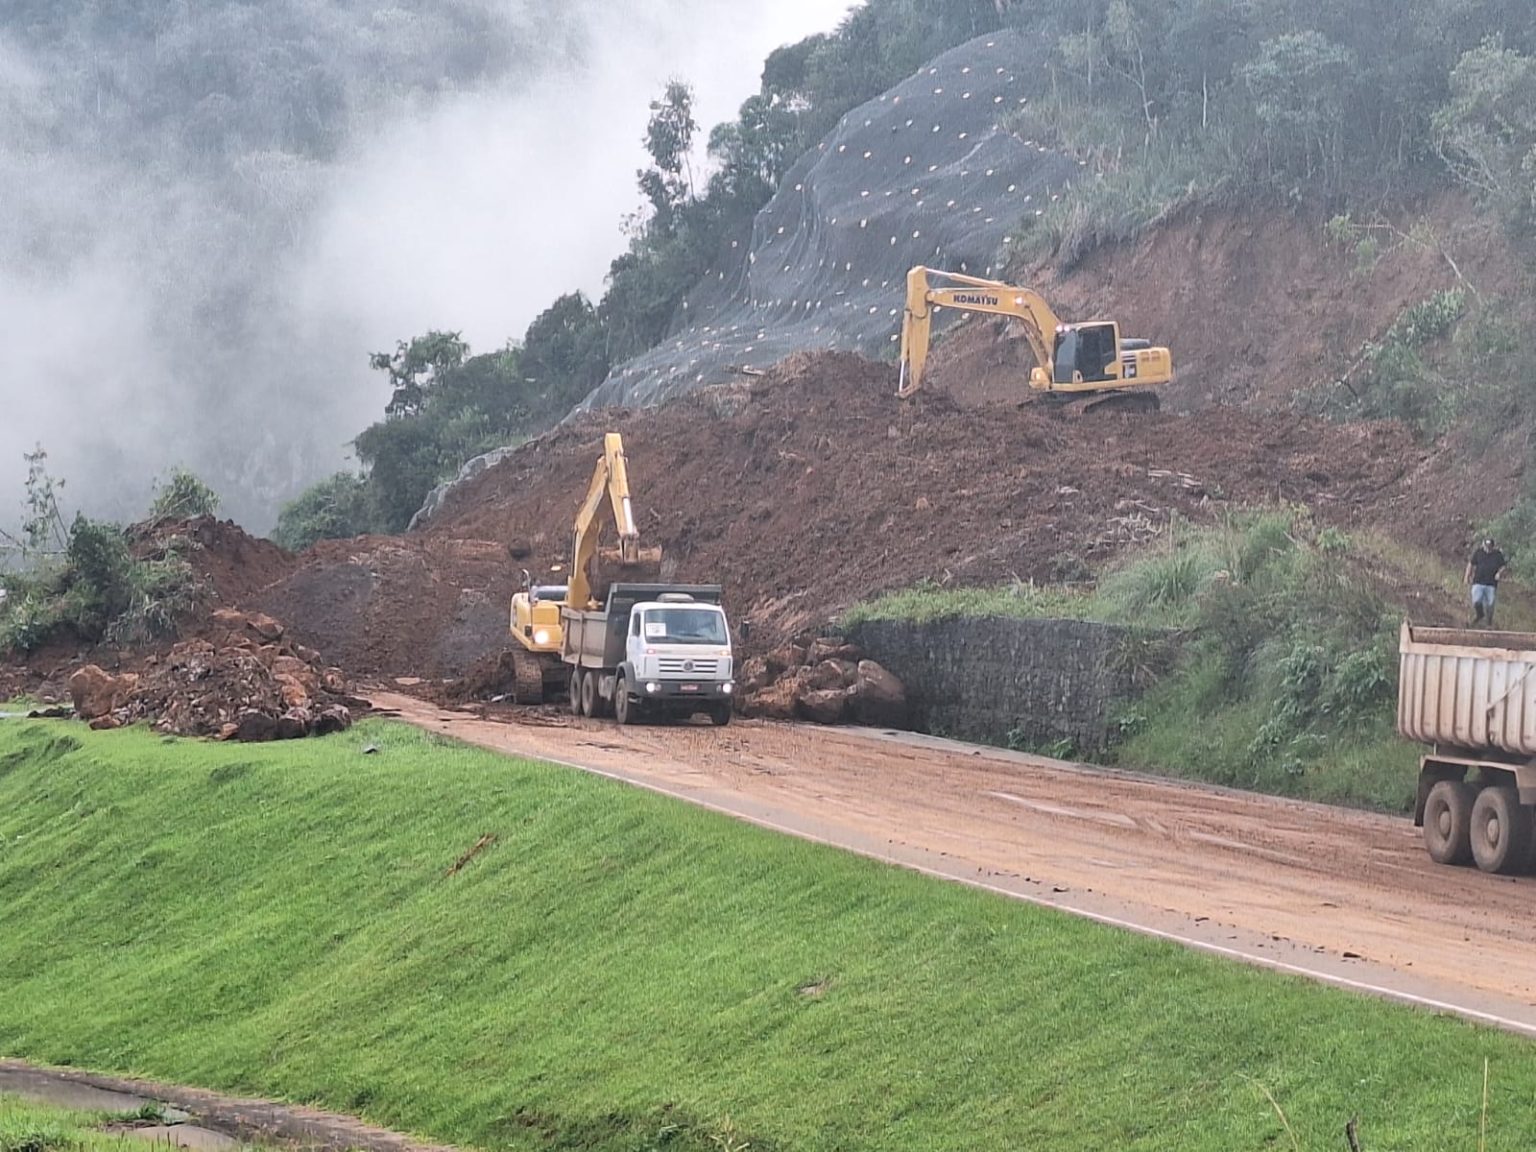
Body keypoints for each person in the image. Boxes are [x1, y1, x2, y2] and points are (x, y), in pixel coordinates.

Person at [1466, 537, 1508, 627]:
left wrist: (1499, 573)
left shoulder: (1497, 554)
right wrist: (1467, 576)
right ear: (1483, 545)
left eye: (1490, 546)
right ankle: (1480, 615)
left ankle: (1489, 622)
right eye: (1487, 546)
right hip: (1478, 582)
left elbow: (1503, 566)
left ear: (1493, 546)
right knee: (1476, 601)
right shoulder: (1478, 552)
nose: (1488, 548)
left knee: (1490, 604)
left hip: (1491, 584)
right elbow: (1471, 564)